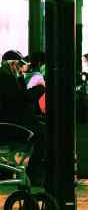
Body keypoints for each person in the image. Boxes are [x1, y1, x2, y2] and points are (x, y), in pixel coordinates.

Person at [0, 50, 46, 184]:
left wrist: (19, 77)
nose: (21, 68)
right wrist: (36, 90)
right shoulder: (4, 80)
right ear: (12, 65)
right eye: (19, 65)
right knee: (43, 135)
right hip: (10, 125)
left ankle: (33, 171)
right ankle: (33, 172)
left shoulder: (10, 78)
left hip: (14, 121)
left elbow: (22, 97)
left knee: (43, 130)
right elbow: (21, 100)